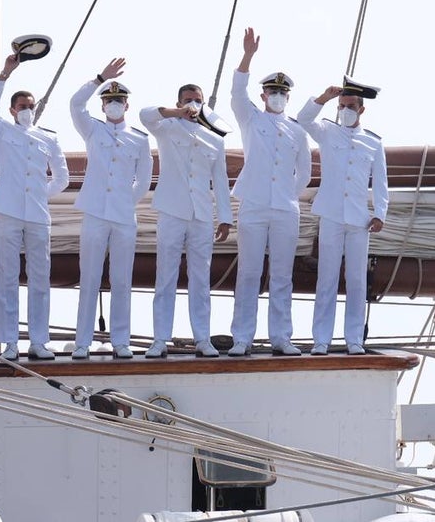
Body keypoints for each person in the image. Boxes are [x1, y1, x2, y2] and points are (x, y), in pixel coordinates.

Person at [227, 28, 311, 357]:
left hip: (285, 210)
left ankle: (281, 337)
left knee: (281, 275)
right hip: (253, 205)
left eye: (282, 92)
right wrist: (247, 56)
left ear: (288, 97)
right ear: (263, 96)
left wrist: (286, 195)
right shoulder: (250, 119)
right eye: (272, 91)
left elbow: (305, 172)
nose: (277, 96)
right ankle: (242, 338)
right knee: (248, 272)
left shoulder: (297, 131)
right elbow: (237, 92)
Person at [0, 53, 69, 361]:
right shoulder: (1, 131)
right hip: (8, 212)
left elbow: (62, 177)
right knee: (7, 277)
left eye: (31, 106)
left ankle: (39, 341)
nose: (27, 111)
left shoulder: (48, 138)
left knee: (40, 278)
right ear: (12, 110)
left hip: (38, 215)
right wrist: (4, 74)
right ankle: (8, 342)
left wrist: (40, 195)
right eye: (22, 106)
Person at [296, 76, 388, 356]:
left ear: (361, 109)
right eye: (342, 106)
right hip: (332, 215)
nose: (345, 111)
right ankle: (321, 340)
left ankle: (354, 340)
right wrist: (324, 98)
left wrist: (380, 212)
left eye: (350, 106)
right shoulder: (327, 132)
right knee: (327, 278)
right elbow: (303, 119)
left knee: (357, 280)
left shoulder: (373, 143)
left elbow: (381, 181)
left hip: (360, 220)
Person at [140, 83, 232, 358]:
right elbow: (145, 115)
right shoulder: (166, 127)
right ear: (179, 102)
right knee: (165, 276)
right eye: (188, 100)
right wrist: (175, 112)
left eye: (197, 100)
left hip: (201, 214)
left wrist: (224, 217)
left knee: (201, 279)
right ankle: (160, 339)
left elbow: (221, 181)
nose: (193, 104)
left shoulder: (215, 138)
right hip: (172, 210)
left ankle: (203, 338)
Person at [68, 59, 152, 359]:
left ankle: (120, 340)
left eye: (119, 101)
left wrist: (125, 201)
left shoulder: (139, 139)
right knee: (89, 277)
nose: (114, 105)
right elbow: (76, 104)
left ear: (126, 106)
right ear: (103, 106)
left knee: (121, 279)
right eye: (109, 101)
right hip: (94, 212)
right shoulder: (92, 130)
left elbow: (144, 179)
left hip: (123, 216)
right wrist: (99, 79)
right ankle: (82, 342)